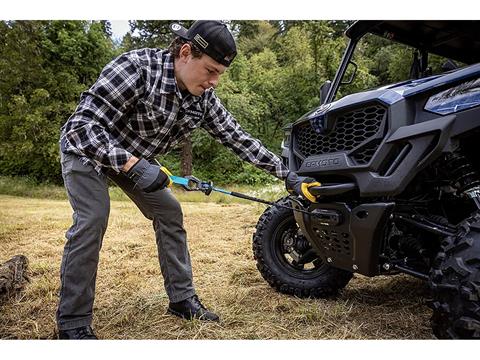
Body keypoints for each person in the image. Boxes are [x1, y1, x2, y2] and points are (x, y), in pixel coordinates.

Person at [57, 20, 317, 340]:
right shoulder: (136, 69)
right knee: (93, 218)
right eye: (210, 71)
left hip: (135, 156)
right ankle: (72, 322)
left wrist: (287, 175)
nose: (215, 81)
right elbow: (81, 128)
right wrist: (134, 166)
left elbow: (239, 139)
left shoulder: (202, 98)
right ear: (185, 52)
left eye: (220, 73)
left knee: (170, 212)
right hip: (86, 150)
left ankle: (181, 299)